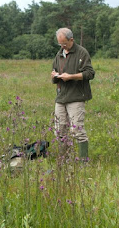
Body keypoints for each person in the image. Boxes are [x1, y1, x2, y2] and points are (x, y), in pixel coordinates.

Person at [51, 28, 95, 159]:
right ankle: (64, 159)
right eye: (60, 44)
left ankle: (83, 162)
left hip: (76, 96)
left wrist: (71, 77)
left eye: (65, 43)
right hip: (61, 97)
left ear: (72, 40)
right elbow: (54, 73)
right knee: (59, 131)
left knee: (77, 130)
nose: (63, 46)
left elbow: (90, 73)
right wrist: (55, 76)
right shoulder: (59, 55)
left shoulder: (82, 53)